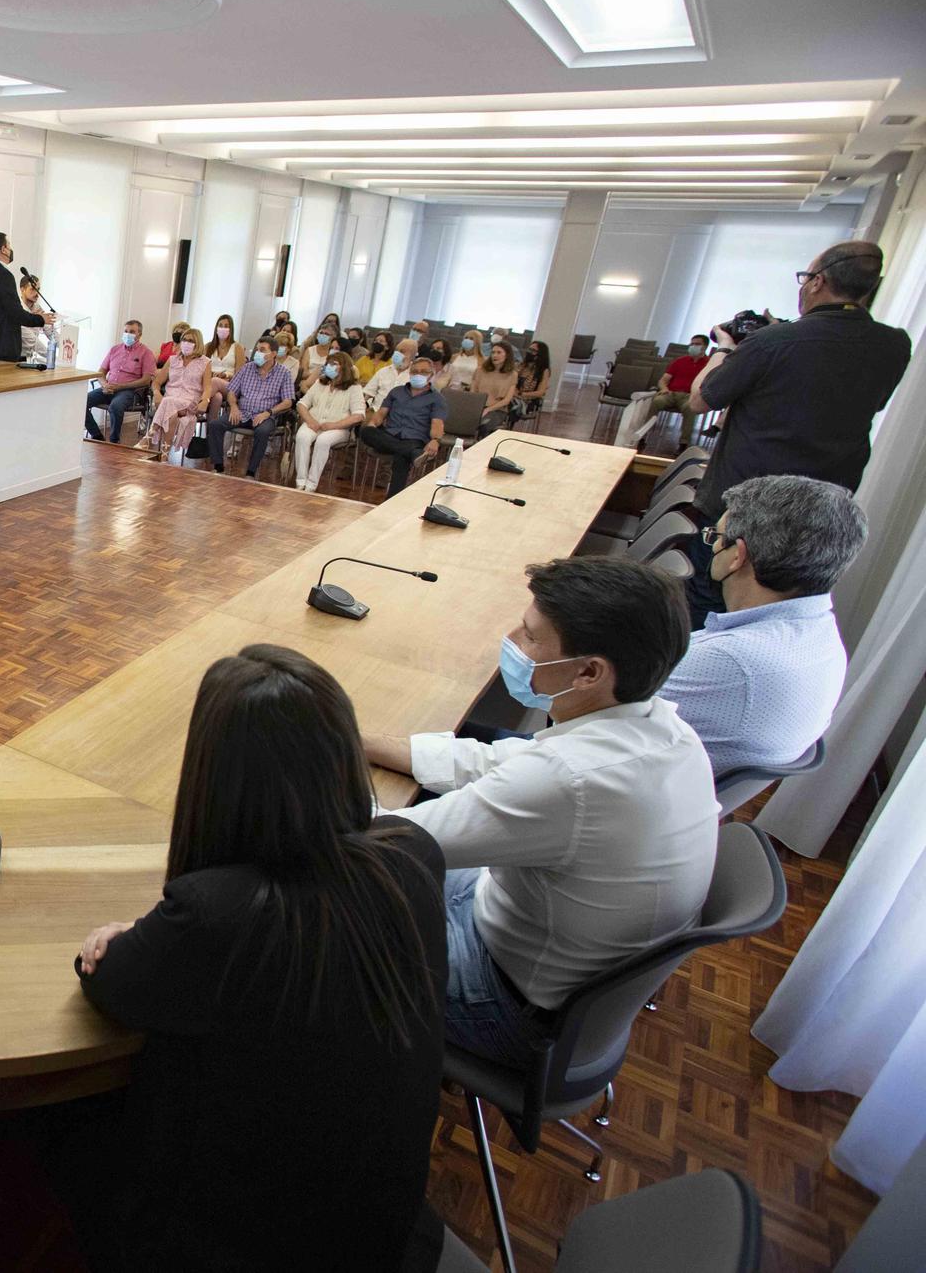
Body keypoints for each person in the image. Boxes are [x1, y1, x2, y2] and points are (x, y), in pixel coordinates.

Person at [71, 645, 445, 1269]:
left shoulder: (216, 914)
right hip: (386, 1233)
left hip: (241, 1247)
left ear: (213, 775)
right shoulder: (411, 853)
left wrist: (124, 937)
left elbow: (109, 985)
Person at [363, 557, 716, 1065]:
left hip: (502, 1002)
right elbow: (492, 762)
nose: (511, 640)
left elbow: (388, 836)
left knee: (310, 916)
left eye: (530, 637)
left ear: (589, 672)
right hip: (533, 946)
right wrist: (358, 741)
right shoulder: (663, 728)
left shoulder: (571, 778)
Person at [680, 240, 910, 625]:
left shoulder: (772, 342)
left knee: (710, 601)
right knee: (778, 611)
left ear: (817, 282)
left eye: (805, 278)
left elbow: (702, 400)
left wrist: (724, 350)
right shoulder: (894, 344)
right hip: (821, 508)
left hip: (746, 498)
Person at [660, 475, 866, 779]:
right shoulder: (820, 635)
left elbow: (583, 709)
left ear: (736, 556)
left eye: (716, 537)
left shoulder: (731, 661)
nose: (714, 545)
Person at [203, 337, 297, 478]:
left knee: (262, 432)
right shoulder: (247, 368)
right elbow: (232, 391)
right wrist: (233, 406)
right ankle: (218, 466)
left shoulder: (284, 373)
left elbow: (288, 401)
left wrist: (268, 413)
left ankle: (251, 472)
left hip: (265, 415)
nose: (257, 353)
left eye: (262, 350)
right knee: (216, 425)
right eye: (257, 349)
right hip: (242, 412)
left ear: (273, 354)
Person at [355, 362, 447, 500]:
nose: (418, 374)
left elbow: (437, 422)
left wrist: (435, 441)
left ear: (431, 375)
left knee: (401, 458)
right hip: (390, 435)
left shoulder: (436, 398)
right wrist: (373, 424)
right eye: (414, 371)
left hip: (414, 438)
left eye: (423, 372)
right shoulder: (396, 392)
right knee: (366, 431)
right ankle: (415, 454)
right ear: (409, 373)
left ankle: (391, 498)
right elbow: (381, 413)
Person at [291, 351, 366, 492]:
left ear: (344, 367)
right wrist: (310, 420)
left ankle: (311, 485)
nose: (329, 367)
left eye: (334, 364)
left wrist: (334, 425)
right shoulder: (320, 383)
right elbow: (302, 404)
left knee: (323, 441)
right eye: (328, 364)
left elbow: (359, 415)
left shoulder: (354, 388)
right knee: (302, 437)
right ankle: (301, 481)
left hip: (339, 429)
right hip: (314, 423)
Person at [0, 232, 52, 362]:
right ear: (3, 249)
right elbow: (15, 313)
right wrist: (40, 319)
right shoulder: (4, 275)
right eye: (9, 245)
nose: (11, 249)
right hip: (2, 349)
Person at [137, 327, 209, 459]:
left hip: (190, 401)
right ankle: (164, 456)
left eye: (190, 340)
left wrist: (205, 401)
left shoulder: (205, 362)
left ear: (197, 343)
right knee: (172, 414)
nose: (186, 343)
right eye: (184, 340)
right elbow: (156, 382)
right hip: (170, 401)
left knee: (167, 402)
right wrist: (157, 393)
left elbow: (207, 388)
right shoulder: (173, 360)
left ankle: (148, 437)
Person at [85, 319, 158, 442]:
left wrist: (120, 387)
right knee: (82, 401)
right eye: (126, 331)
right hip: (109, 388)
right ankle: (97, 435)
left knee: (115, 406)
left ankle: (114, 440)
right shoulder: (115, 349)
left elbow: (146, 380)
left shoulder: (146, 353)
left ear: (139, 334)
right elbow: (101, 372)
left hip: (130, 391)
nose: (128, 334)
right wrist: (104, 384)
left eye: (132, 332)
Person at [472, 342, 519, 433]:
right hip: (478, 406)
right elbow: (473, 392)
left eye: (499, 352)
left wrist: (488, 409)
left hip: (497, 409)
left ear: (507, 355)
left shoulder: (512, 375)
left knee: (484, 424)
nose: (495, 355)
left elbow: (507, 400)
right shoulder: (480, 370)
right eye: (493, 352)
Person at [360, 335, 414, 413]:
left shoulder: (415, 376)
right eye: (397, 350)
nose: (398, 353)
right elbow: (368, 393)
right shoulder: (383, 371)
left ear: (412, 355)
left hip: (400, 416)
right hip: (376, 412)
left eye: (402, 351)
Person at [511, 340, 553, 421]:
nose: (529, 352)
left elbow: (541, 392)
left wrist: (521, 394)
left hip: (527, 400)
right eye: (529, 349)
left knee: (511, 404)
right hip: (512, 395)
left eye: (533, 351)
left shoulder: (544, 370)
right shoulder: (520, 366)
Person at [203, 312, 244, 387]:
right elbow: (202, 369)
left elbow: (240, 375)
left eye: (226, 326)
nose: (223, 328)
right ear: (216, 328)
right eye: (220, 325)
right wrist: (212, 374)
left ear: (231, 329)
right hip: (210, 380)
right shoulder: (208, 346)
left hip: (229, 383)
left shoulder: (238, 348)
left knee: (215, 381)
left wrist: (226, 376)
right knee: (218, 397)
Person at [18, 274, 51, 361]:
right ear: (22, 290)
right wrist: (51, 356)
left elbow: (49, 330)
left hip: (30, 357)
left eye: (38, 289)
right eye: (32, 289)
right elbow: (31, 341)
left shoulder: (37, 308)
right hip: (16, 358)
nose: (37, 293)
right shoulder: (17, 308)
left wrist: (65, 346)